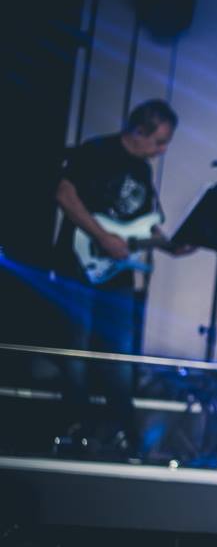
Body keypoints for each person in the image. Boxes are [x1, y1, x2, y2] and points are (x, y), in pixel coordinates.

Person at [51, 99, 192, 458]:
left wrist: (170, 246)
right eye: (159, 141)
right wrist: (102, 236)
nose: (162, 150)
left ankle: (121, 431)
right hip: (78, 263)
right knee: (75, 347)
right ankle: (74, 426)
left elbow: (142, 224)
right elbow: (64, 194)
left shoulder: (142, 170)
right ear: (139, 130)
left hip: (118, 274)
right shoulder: (96, 151)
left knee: (120, 351)